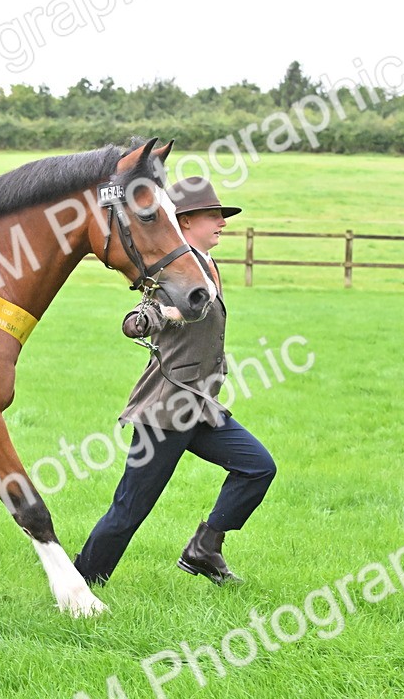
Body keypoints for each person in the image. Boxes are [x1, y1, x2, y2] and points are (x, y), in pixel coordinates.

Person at [73, 176, 276, 586]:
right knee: (131, 507)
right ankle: (83, 581)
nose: (222, 222)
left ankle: (204, 549)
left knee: (257, 467)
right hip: (165, 411)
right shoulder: (170, 273)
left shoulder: (208, 266)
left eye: (222, 215)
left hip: (200, 407)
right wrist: (162, 316)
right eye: (213, 216)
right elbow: (135, 321)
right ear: (185, 222)